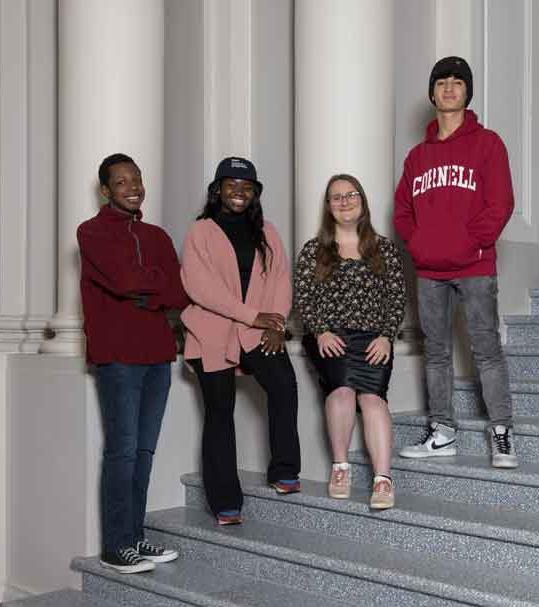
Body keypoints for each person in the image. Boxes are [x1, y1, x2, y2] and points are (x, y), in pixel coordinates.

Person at [394, 56, 518, 468]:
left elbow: (500, 204)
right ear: (432, 93)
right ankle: (442, 432)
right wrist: (421, 246)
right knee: (436, 353)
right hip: (429, 272)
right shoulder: (416, 157)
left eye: (457, 82)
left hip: (475, 267)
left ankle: (501, 431)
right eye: (442, 82)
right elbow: (402, 212)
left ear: (467, 92)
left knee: (486, 350)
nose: (449, 87)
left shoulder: (488, 144)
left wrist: (470, 245)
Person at [78, 153, 188, 574]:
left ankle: (136, 538)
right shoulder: (90, 232)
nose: (132, 187)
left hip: (158, 355)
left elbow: (178, 292)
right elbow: (124, 281)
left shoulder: (157, 235)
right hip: (118, 357)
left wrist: (152, 291)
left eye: (136, 179)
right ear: (106, 191)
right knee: (122, 452)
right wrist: (147, 283)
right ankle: (115, 545)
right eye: (121, 182)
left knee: (144, 451)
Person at [181, 156, 301, 526]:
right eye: (231, 184)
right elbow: (201, 289)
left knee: (284, 385)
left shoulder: (268, 231)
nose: (239, 192)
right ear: (217, 190)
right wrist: (252, 316)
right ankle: (225, 502)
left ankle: (283, 469)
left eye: (247, 186)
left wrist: (276, 324)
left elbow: (281, 279)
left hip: (259, 330)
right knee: (220, 413)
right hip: (211, 330)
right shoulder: (200, 231)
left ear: (255, 193)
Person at [295, 174, 406, 509]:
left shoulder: (383, 248)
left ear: (362, 200)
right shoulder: (315, 250)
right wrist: (321, 330)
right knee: (342, 391)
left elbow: (397, 297)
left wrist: (387, 337)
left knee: (373, 400)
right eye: (336, 197)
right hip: (331, 338)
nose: (344, 202)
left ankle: (383, 480)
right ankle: (340, 468)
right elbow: (303, 297)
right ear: (328, 207)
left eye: (351, 194)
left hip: (374, 339)